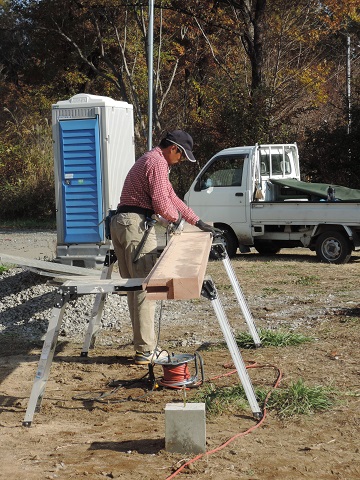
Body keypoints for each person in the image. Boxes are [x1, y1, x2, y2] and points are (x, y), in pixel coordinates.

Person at [110, 130, 218, 365]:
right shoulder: (157, 162)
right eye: (182, 156)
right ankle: (146, 350)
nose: (181, 161)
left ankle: (142, 347)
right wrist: (177, 222)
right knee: (145, 288)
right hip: (135, 226)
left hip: (124, 223)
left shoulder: (151, 160)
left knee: (135, 287)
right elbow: (161, 203)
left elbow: (172, 197)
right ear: (174, 149)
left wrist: (197, 222)